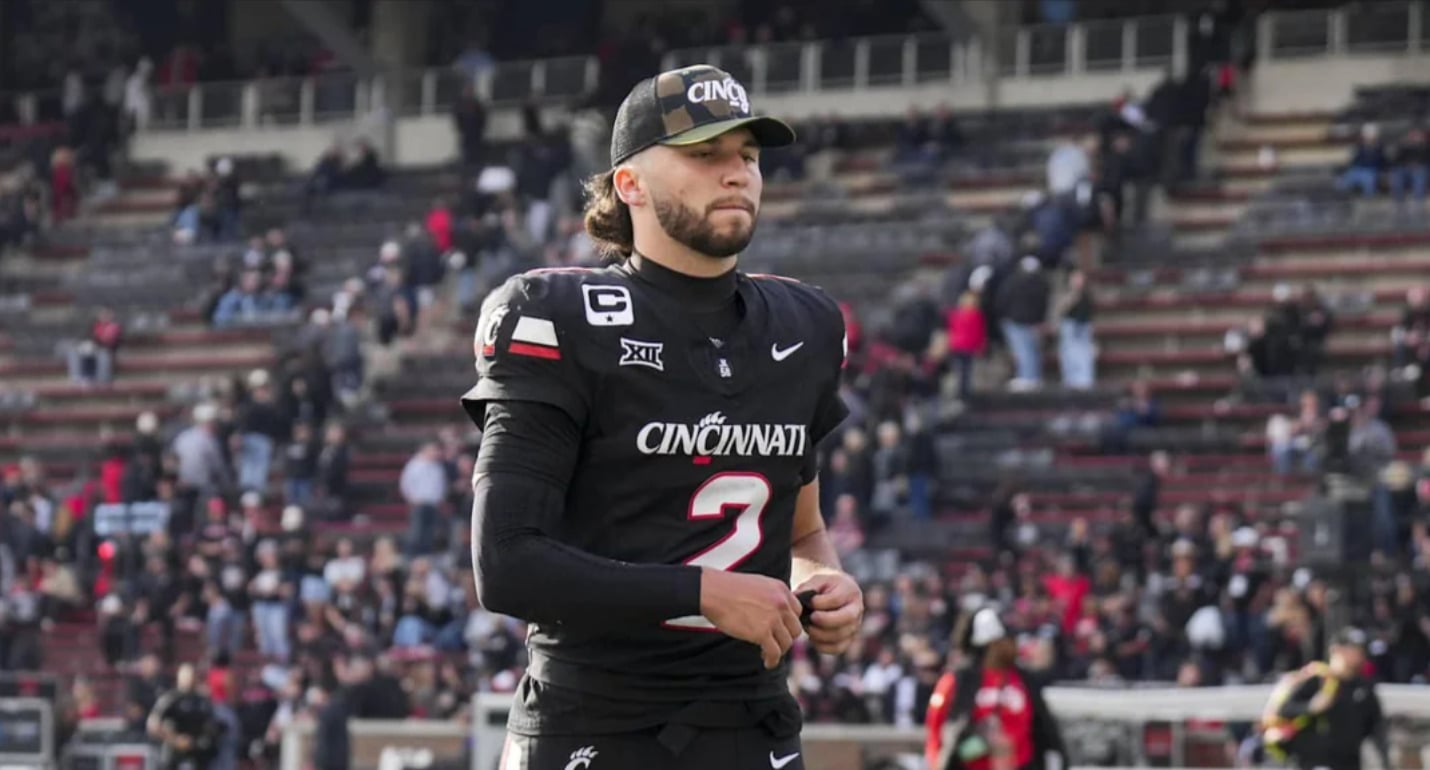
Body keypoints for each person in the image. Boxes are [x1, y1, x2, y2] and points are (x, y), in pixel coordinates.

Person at [461, 64, 863, 770]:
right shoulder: (557, 316)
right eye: (704, 154)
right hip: (597, 723)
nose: (735, 172)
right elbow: (507, 563)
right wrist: (703, 593)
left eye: (747, 155)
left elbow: (805, 532)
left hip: (753, 724)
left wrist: (822, 586)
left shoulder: (806, 323)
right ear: (630, 183)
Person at [925, 608, 1067, 770]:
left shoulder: (1024, 680)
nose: (1014, 645)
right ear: (991, 643)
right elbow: (937, 726)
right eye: (1008, 639)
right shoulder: (958, 681)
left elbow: (1044, 728)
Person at [1260, 627, 1391, 770]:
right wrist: (1311, 706)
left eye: (1360, 651)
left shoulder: (1364, 688)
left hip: (1348, 764)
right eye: (1351, 649)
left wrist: (1386, 762)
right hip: (1310, 762)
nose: (1357, 655)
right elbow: (1283, 710)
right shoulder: (1318, 679)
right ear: (1335, 650)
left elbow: (1377, 729)